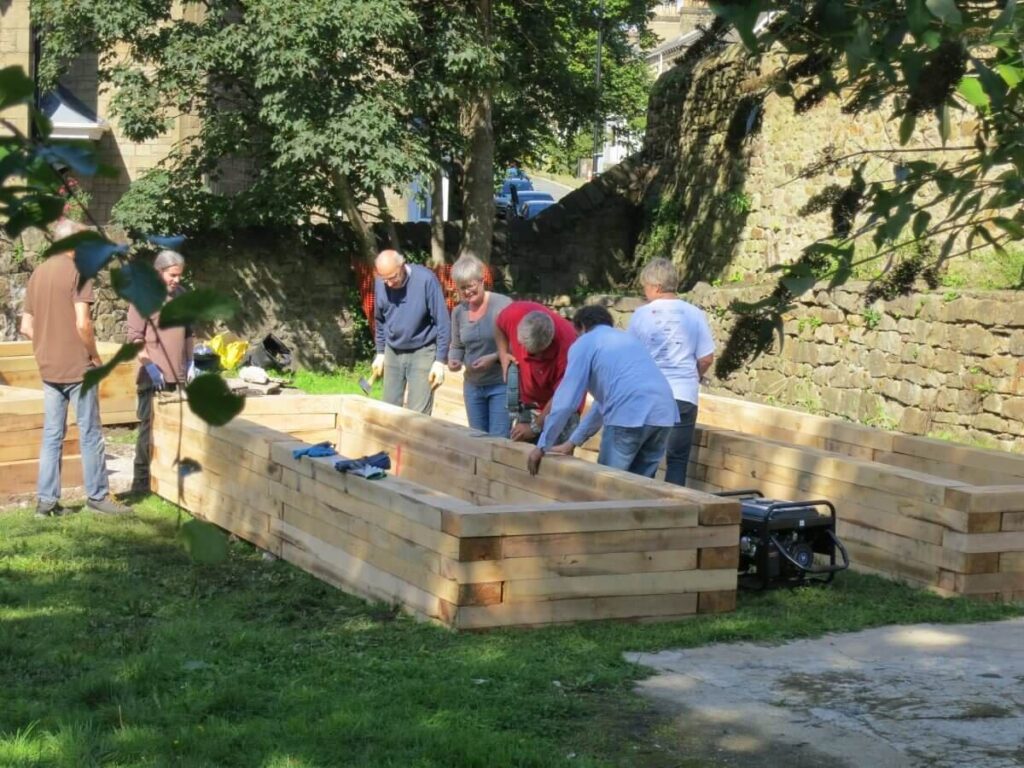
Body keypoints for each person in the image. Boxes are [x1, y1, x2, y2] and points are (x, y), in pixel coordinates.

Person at [19, 219, 130, 517]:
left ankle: (46, 503)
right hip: (78, 368)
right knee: (90, 433)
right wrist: (94, 357)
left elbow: (26, 325)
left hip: (48, 367)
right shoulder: (80, 273)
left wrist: (48, 340)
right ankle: (97, 498)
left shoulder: (38, 273)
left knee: (52, 435)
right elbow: (84, 323)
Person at [527, 305, 678, 478]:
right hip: (664, 415)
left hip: (629, 416)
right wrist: (572, 442)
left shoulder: (585, 343)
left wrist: (542, 445)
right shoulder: (628, 341)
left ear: (582, 327)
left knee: (609, 483)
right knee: (642, 489)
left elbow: (566, 402)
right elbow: (601, 406)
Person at [628, 258, 715, 486]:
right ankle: (676, 511)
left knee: (646, 457)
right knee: (677, 459)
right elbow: (706, 358)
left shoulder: (641, 315)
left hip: (650, 396)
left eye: (645, 287)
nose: (645, 293)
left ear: (656, 287)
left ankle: (640, 507)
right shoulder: (695, 314)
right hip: (684, 396)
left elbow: (631, 358)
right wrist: (692, 376)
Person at [126, 250, 193, 494]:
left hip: (177, 376)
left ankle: (168, 484)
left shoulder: (182, 295)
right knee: (148, 431)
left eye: (179, 276)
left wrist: (190, 362)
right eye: (172, 275)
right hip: (152, 378)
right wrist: (149, 366)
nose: (176, 280)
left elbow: (188, 333)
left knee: (177, 431)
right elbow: (135, 339)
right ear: (159, 272)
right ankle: (141, 483)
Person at [370, 249, 451, 414]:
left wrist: (440, 361)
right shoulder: (381, 282)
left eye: (393, 278)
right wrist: (380, 352)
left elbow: (443, 322)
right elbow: (380, 320)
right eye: (385, 279)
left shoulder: (426, 280)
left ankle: (416, 440)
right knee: (389, 410)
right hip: (393, 350)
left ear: (402, 265)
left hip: (423, 350)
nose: (389, 284)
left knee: (418, 415)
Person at [494, 301, 582, 443]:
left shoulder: (570, 350)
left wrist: (535, 427)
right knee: (519, 455)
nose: (529, 356)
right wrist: (503, 353)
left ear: (549, 343)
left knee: (553, 459)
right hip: (530, 403)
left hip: (562, 409)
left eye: (537, 353)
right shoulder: (515, 314)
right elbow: (498, 322)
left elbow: (563, 397)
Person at [447, 254, 513, 436]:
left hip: (501, 384)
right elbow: (457, 345)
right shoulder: (458, 312)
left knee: (498, 442)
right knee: (477, 441)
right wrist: (454, 359)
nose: (467, 292)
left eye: (470, 286)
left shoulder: (503, 305)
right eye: (462, 288)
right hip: (473, 386)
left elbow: (517, 346)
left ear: (482, 281)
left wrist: (493, 358)